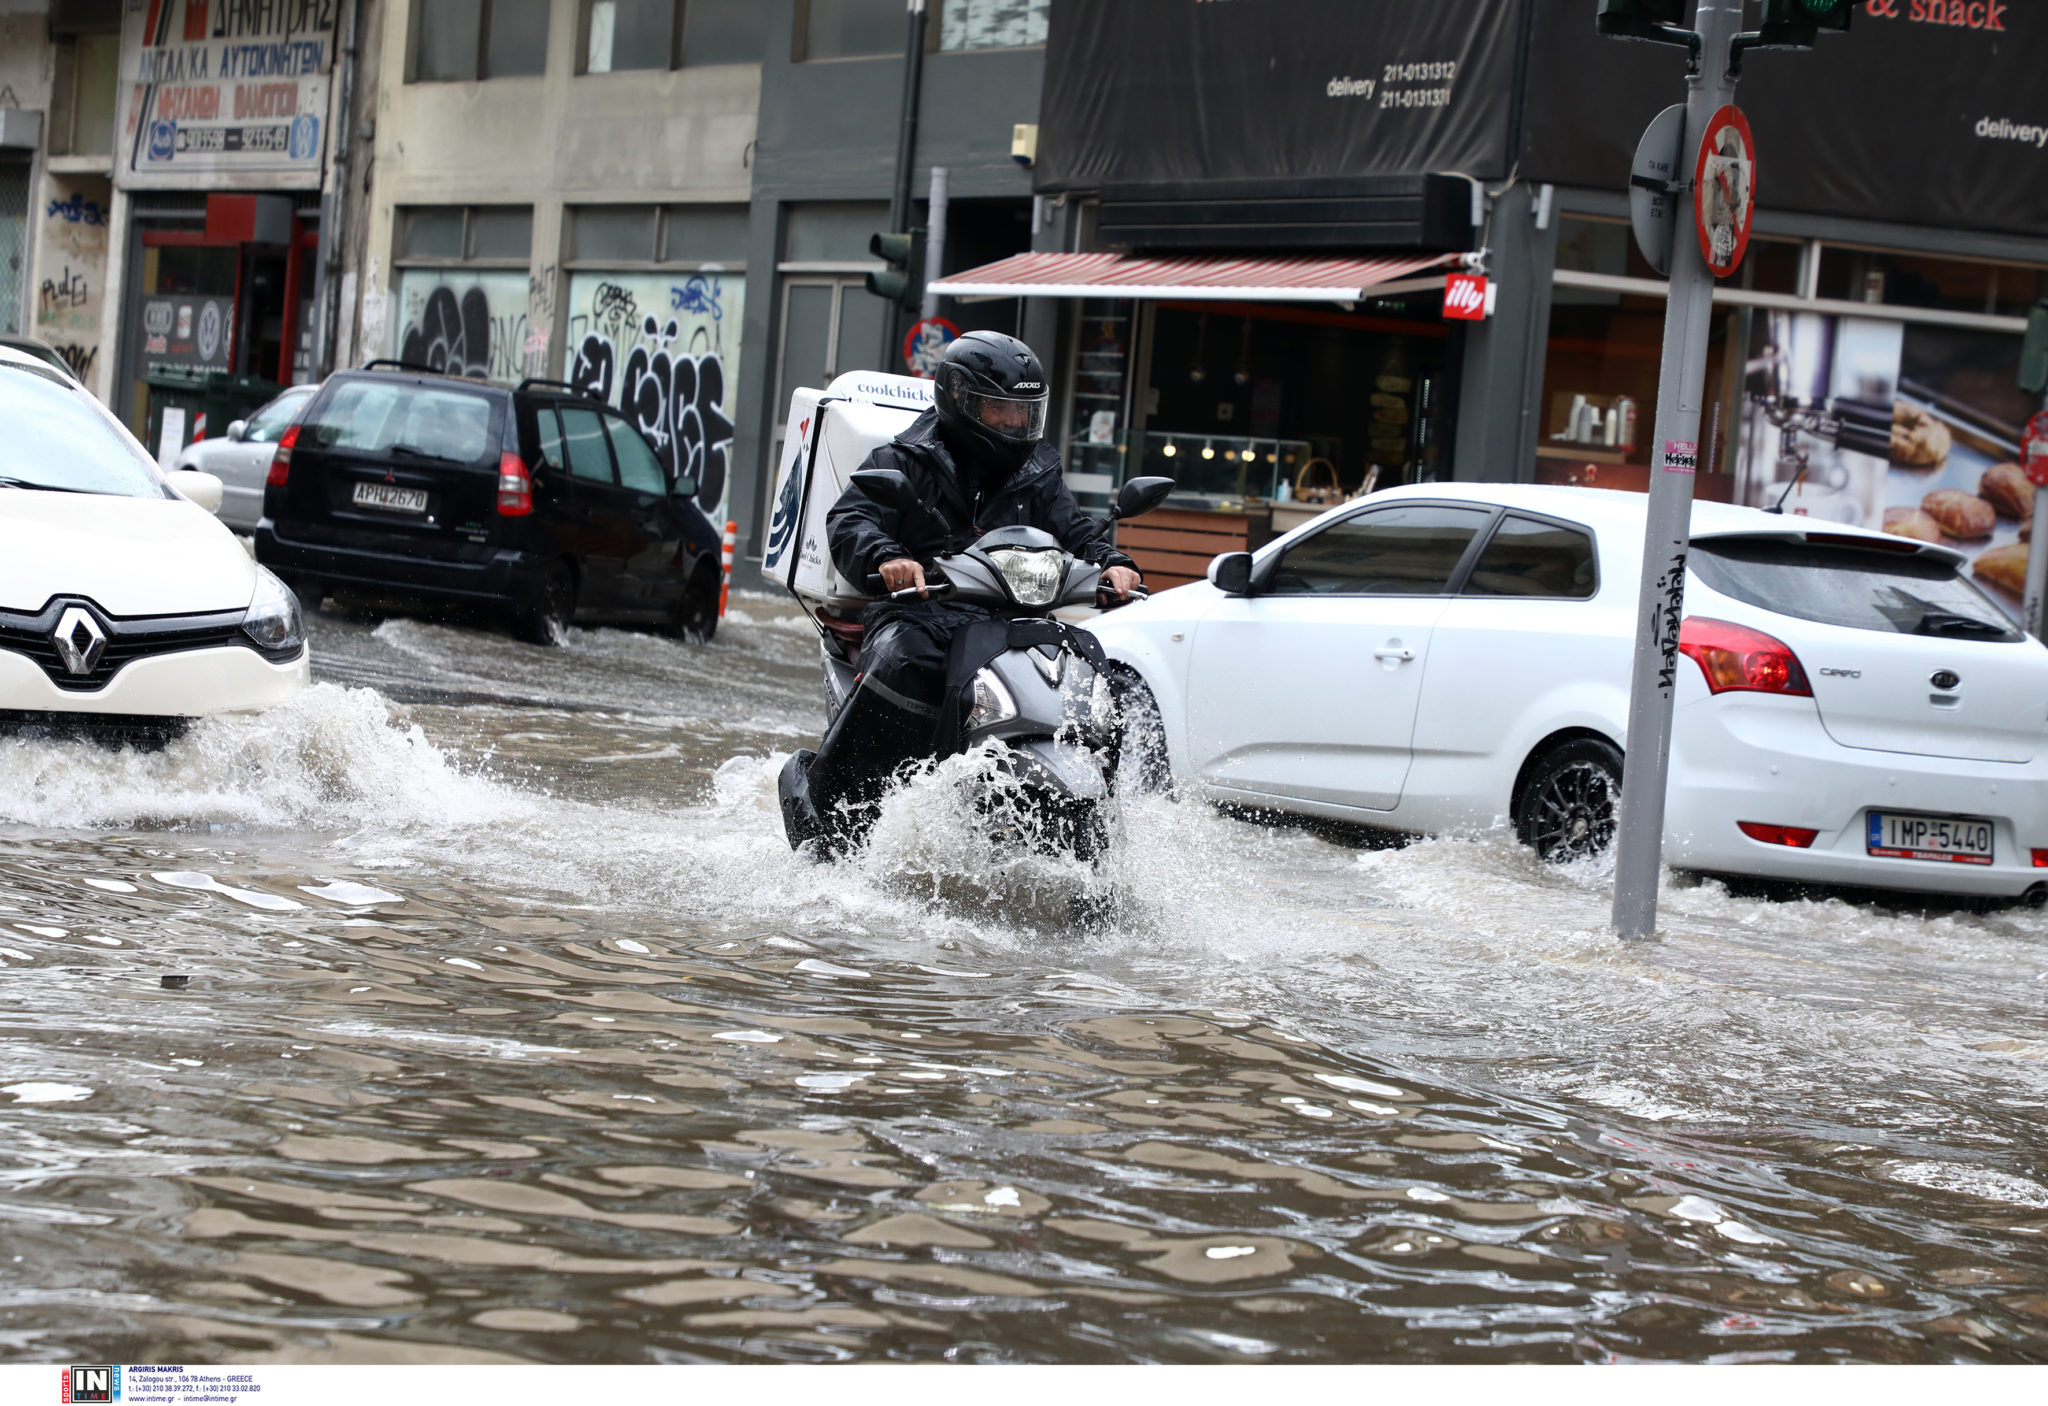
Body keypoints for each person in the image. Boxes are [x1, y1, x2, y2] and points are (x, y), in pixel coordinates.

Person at [781, 330, 1142, 854]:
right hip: (923, 611)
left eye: (1025, 413)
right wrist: (889, 558)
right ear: (959, 400)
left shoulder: (1037, 468)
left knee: (1096, 670)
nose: (1016, 425)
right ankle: (832, 815)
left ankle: (1107, 817)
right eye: (1000, 411)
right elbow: (852, 518)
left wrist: (1113, 562)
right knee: (909, 659)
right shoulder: (908, 457)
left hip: (1010, 617)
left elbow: (1076, 528)